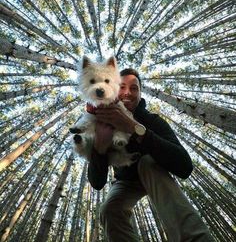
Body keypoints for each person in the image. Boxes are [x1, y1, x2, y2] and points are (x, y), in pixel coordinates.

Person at [86, 68, 214, 242]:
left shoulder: (153, 121)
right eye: (121, 87)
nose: (127, 93)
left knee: (147, 163)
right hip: (126, 180)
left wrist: (134, 128)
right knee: (109, 209)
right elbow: (97, 182)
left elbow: (185, 167)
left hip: (155, 170)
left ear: (140, 94)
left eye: (134, 88)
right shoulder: (102, 120)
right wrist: (99, 148)